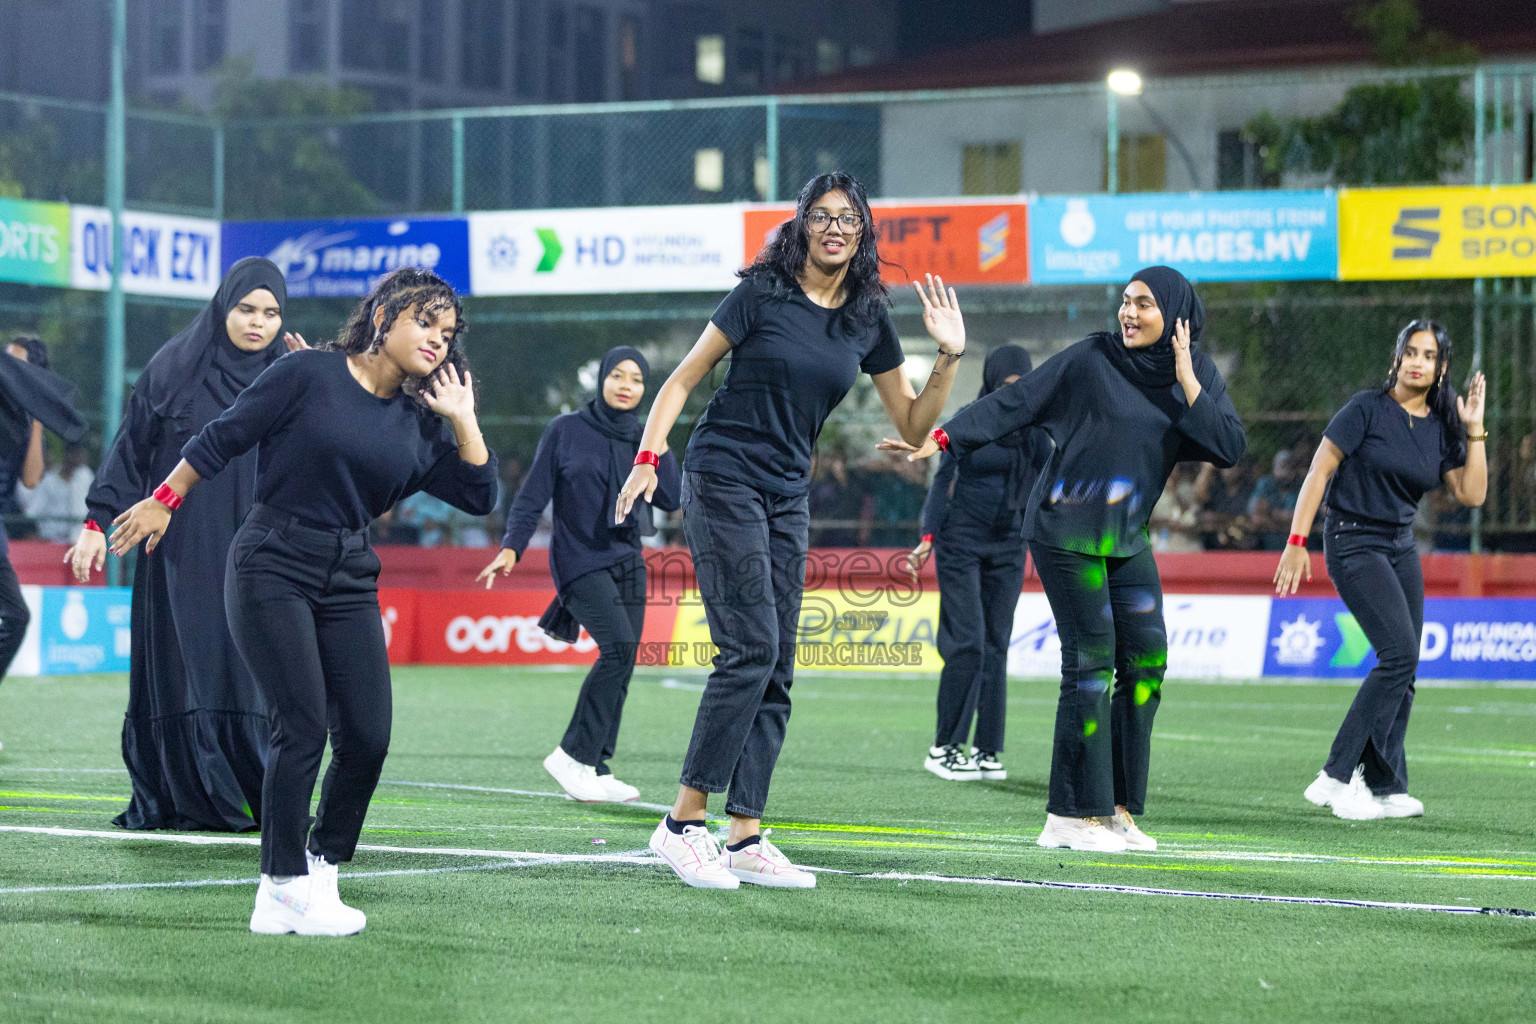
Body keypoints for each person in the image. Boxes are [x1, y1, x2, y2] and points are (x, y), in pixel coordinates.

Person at [106, 267, 496, 936]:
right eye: (424, 322)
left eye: (448, 332)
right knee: (303, 723)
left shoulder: (419, 422)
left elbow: (481, 495)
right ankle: (279, 887)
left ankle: (321, 870)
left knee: (369, 735)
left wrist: (463, 419)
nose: (437, 339)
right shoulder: (307, 374)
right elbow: (220, 438)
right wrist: (163, 501)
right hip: (271, 560)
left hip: (347, 571)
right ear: (382, 318)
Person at [615, 172, 966, 889]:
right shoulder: (761, 294)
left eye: (849, 218)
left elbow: (912, 424)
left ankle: (744, 834)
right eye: (822, 216)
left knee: (778, 665)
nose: (836, 228)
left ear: (864, 233)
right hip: (723, 477)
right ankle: (682, 823)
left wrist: (950, 358)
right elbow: (682, 379)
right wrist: (650, 456)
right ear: (802, 225)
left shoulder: (867, 314)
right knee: (749, 647)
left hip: (785, 492)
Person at [890, 266, 1246, 854]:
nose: (1128, 314)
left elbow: (1229, 447)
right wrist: (945, 438)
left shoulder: (1195, 374)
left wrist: (1187, 378)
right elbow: (1017, 401)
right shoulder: (1091, 359)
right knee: (1091, 663)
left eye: (1145, 305)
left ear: (1178, 318)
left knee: (1147, 666)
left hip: (1125, 538)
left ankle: (1120, 811)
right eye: (1125, 302)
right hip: (1063, 528)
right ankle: (1069, 815)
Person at [66, 258, 295, 832]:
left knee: (252, 669)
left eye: (270, 313)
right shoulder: (174, 368)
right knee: (187, 663)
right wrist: (97, 522)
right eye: (246, 309)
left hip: (261, 548)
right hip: (179, 545)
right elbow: (132, 448)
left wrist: (312, 376)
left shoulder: (293, 374)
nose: (257, 323)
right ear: (223, 308)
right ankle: (185, 792)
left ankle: (263, 793)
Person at [1275, 319, 1486, 821]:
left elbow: (1472, 494)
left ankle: (1386, 784)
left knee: (1405, 666)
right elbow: (1318, 472)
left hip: (1399, 543)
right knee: (1398, 654)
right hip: (1351, 539)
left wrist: (1475, 427)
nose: (1418, 362)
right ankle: (1336, 776)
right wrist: (1296, 540)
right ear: (1397, 358)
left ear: (1442, 367)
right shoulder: (1365, 409)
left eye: (1429, 355)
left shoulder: (1442, 426)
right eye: (1410, 352)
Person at [479, 346, 680, 803]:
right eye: (618, 376)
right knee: (619, 648)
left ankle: (596, 763)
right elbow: (531, 497)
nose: (626, 386)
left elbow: (670, 497)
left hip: (628, 558)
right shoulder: (565, 430)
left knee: (625, 659)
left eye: (636, 380)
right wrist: (512, 546)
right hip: (578, 561)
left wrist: (660, 442)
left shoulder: (646, 437)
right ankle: (571, 756)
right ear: (602, 379)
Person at [906, 345, 1051, 783]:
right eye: (1006, 385)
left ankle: (987, 748)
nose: (1012, 393)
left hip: (1008, 548)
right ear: (991, 382)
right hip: (960, 544)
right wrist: (927, 536)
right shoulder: (970, 421)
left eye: (1019, 385)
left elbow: (1048, 489)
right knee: (967, 641)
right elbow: (942, 480)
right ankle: (945, 746)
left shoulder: (1035, 432)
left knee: (996, 645)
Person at [0, 336, 87, 752]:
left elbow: (31, 479)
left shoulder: (24, 419)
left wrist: (34, 410)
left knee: (16, 618)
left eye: (17, 366)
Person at [1249, 448, 1303, 549]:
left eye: (1290, 466)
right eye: (1282, 465)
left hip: (1295, 542)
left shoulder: (1301, 486)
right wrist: (1280, 519)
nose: (1286, 470)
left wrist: (1269, 512)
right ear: (1274, 467)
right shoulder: (1265, 483)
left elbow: (1298, 518)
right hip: (1266, 540)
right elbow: (1255, 517)